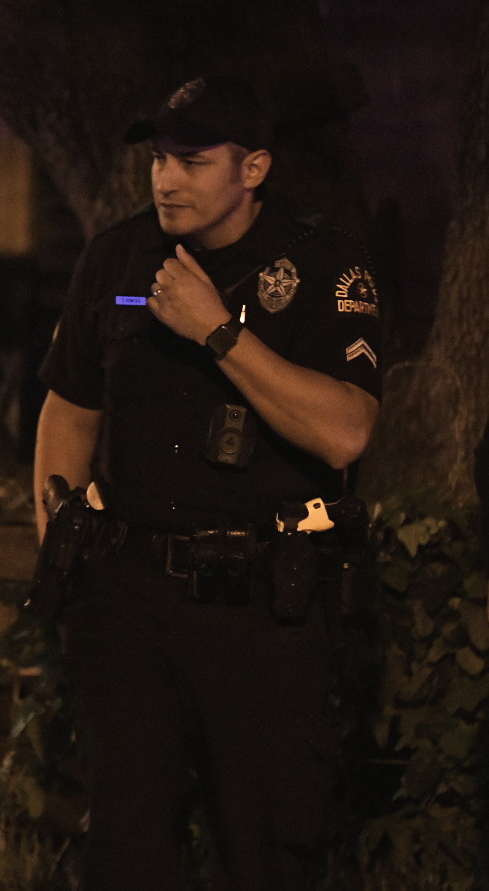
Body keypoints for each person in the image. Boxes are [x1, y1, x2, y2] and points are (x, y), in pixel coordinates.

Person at [33, 75, 382, 890]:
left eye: (191, 160)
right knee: (124, 845)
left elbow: (345, 430)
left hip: (262, 602)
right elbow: (71, 403)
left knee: (266, 842)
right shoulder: (119, 254)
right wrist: (55, 531)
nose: (165, 178)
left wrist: (218, 331)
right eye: (159, 158)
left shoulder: (322, 264)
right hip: (129, 595)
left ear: (253, 168)